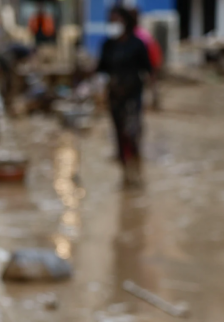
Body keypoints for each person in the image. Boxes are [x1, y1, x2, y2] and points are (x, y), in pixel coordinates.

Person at [97, 5, 153, 188]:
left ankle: (136, 170)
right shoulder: (107, 45)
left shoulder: (137, 44)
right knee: (119, 134)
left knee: (133, 132)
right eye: (111, 21)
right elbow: (101, 70)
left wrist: (154, 93)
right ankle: (125, 175)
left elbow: (148, 69)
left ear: (125, 22)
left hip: (133, 95)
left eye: (117, 21)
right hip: (114, 97)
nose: (114, 25)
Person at [131, 7, 163, 109]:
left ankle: (152, 102)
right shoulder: (142, 32)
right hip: (150, 59)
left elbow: (150, 49)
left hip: (148, 60)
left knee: (147, 81)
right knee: (152, 81)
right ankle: (154, 101)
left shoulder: (138, 34)